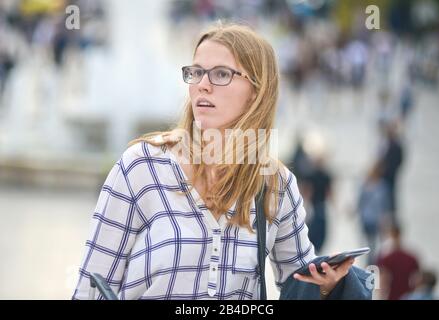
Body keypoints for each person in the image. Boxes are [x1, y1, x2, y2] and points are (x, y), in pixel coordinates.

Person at [72, 23, 355, 300]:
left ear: (256, 91)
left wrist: (327, 287)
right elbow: (91, 287)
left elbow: (300, 283)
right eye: (196, 73)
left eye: (221, 74)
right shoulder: (141, 167)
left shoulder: (275, 184)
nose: (202, 85)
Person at [376, 224, 420, 300]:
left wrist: (381, 295)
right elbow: (417, 278)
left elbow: (383, 279)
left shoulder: (385, 258)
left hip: (392, 295)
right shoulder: (411, 257)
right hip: (407, 294)